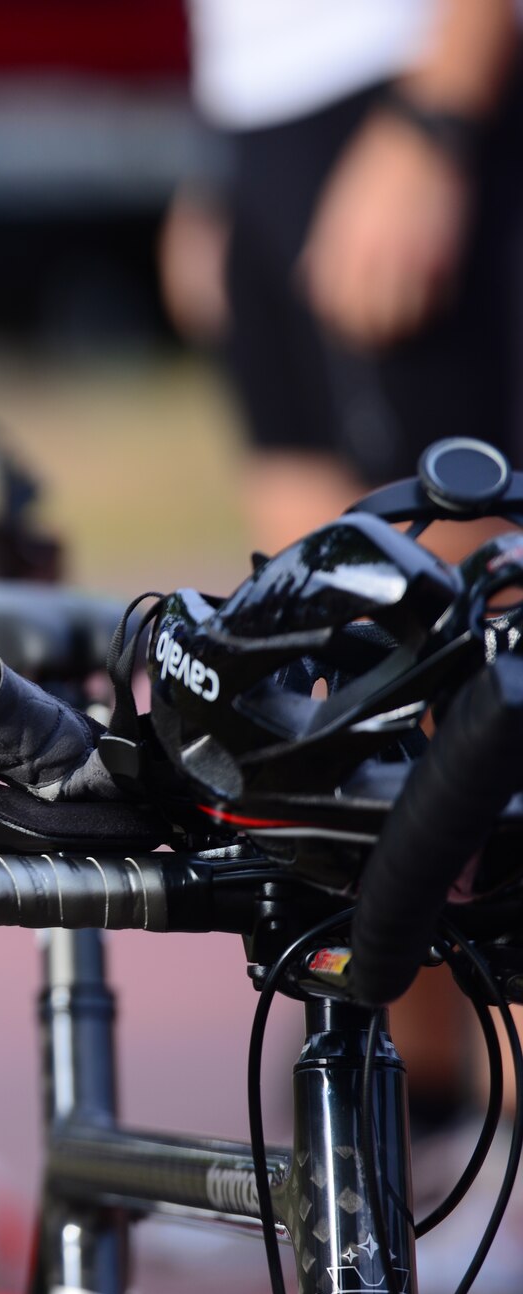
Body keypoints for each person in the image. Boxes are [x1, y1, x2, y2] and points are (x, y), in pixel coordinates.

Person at [164, 0, 521, 1132]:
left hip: (409, 90)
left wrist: (435, 115)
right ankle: (409, 1137)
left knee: (477, 706)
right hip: (272, 119)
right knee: (335, 714)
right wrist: (221, 155)